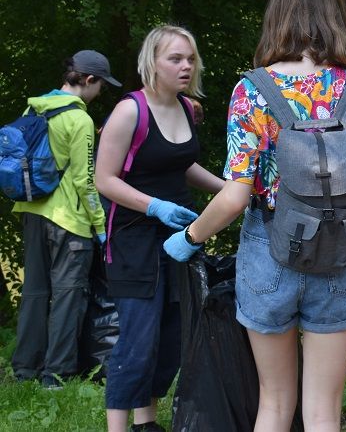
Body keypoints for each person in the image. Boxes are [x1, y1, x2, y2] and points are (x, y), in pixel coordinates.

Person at [162, 0, 346, 432]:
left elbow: (234, 196)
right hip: (342, 251)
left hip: (270, 250)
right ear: (332, 13)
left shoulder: (252, 91)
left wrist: (188, 238)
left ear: (279, 16)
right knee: (324, 409)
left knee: (274, 401)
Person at [95, 26, 224, 432]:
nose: (186, 66)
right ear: (152, 62)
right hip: (134, 240)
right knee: (138, 342)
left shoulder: (186, 109)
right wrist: (154, 206)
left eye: (190, 58)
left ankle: (145, 422)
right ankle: (118, 426)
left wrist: (232, 191)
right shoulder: (129, 111)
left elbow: (180, 164)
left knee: (172, 340)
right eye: (175, 59)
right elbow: (104, 178)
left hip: (180, 239)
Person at [12, 50, 121, 389]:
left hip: (32, 212)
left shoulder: (36, 107)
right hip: (69, 223)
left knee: (33, 292)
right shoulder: (80, 120)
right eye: (101, 85)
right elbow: (86, 180)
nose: (101, 91)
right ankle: (55, 374)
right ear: (88, 80)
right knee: (67, 295)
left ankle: (25, 368)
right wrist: (101, 228)